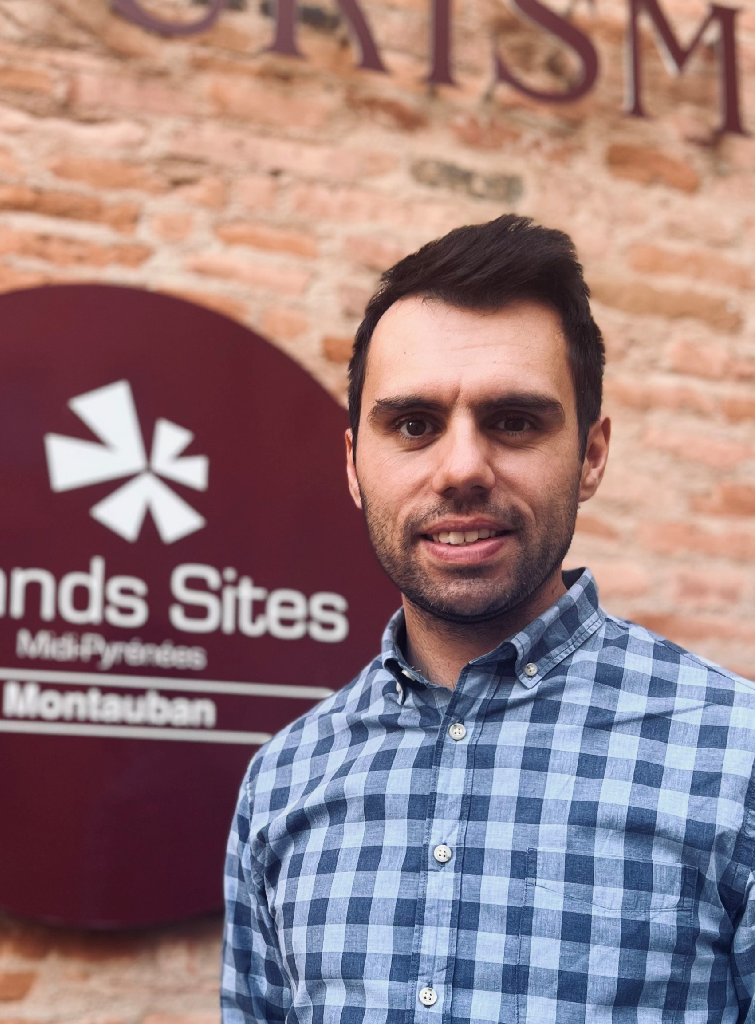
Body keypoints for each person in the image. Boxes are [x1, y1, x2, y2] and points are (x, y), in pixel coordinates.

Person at [221, 214, 755, 1023]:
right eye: (414, 425)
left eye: (514, 421)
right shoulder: (283, 782)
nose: (463, 468)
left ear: (592, 455)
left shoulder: (736, 760)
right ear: (354, 465)